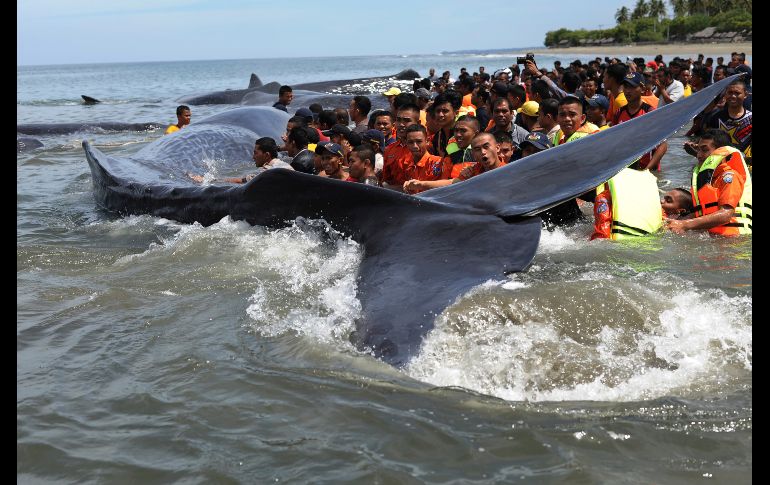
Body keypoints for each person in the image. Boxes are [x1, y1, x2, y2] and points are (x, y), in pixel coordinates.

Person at [666, 129, 752, 236]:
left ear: (720, 152)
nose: (698, 155)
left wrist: (685, 224)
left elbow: (726, 215)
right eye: (698, 150)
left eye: (704, 150)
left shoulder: (730, 176)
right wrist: (675, 221)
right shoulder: (711, 180)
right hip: (717, 239)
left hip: (736, 240)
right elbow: (701, 211)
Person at [612, 72, 667, 171]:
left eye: (632, 87)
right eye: (626, 87)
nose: (628, 91)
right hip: (626, 169)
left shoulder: (650, 113)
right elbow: (615, 143)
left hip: (648, 169)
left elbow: (663, 145)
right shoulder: (618, 113)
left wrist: (646, 170)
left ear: (642, 88)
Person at [188, 137, 291, 183]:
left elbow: (241, 181)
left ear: (267, 155)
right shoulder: (285, 165)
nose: (253, 157)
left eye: (255, 153)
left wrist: (208, 180)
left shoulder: (266, 172)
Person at [702, 79, 752, 168]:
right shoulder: (716, 117)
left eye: (737, 93)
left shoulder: (750, 119)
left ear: (745, 95)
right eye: (730, 92)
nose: (733, 96)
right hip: (720, 167)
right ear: (725, 95)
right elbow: (708, 144)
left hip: (745, 168)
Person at [402, 124, 452, 194]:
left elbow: (446, 188)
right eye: (410, 142)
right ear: (406, 143)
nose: (415, 146)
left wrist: (421, 185)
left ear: (427, 140)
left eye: (419, 141)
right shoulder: (405, 164)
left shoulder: (439, 162)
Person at [381, 103, 421, 191]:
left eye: (406, 121)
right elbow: (386, 180)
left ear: (418, 123)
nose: (401, 124)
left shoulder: (425, 149)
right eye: (398, 120)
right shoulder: (389, 149)